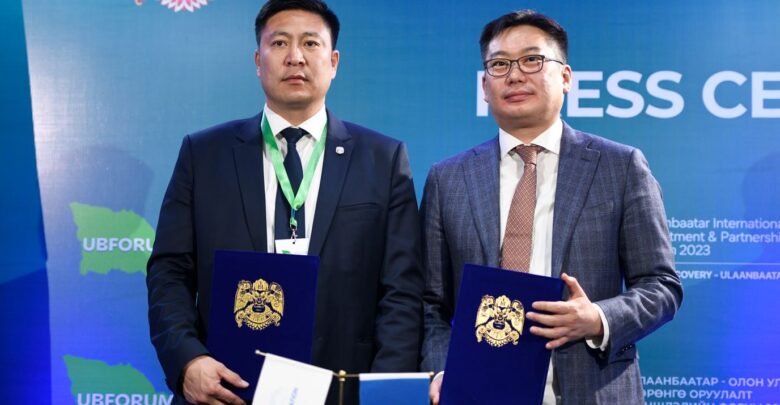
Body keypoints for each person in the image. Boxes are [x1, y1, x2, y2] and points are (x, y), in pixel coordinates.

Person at [146, 1, 424, 404]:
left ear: (333, 62)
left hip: (341, 389)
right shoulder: (203, 154)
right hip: (226, 387)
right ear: (258, 61)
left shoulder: (382, 159)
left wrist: (380, 394)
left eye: (310, 43)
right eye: (279, 43)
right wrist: (188, 361)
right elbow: (169, 272)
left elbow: (402, 291)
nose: (295, 57)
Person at [420, 10, 683, 405]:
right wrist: (443, 369)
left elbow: (661, 286)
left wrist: (598, 318)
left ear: (565, 77)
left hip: (590, 390)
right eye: (499, 64)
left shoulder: (620, 166)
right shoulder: (448, 178)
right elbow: (431, 304)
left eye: (532, 60)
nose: (514, 75)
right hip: (478, 391)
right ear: (485, 86)